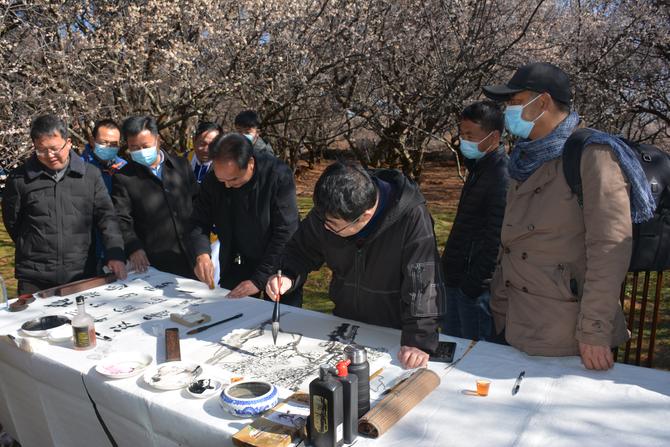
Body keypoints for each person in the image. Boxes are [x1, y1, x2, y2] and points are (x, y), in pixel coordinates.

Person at [482, 62, 655, 370]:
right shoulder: (526, 155)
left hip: (563, 330)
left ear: (543, 102)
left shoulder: (593, 154)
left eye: (516, 102)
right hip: (513, 316)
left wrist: (594, 331)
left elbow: (609, 247)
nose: (508, 111)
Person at [266, 161, 445, 369]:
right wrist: (287, 275)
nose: (326, 227)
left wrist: (418, 340)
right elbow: (301, 249)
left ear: (365, 216)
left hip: (394, 332)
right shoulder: (331, 209)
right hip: (345, 324)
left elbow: (423, 283)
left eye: (334, 225)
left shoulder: (411, 217)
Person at [2, 114, 126, 294]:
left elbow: (107, 218)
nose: (49, 156)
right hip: (34, 275)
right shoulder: (19, 179)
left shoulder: (89, 175)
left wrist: (115, 254)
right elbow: (12, 221)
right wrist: (33, 244)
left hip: (81, 271)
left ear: (68, 143)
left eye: (54, 149)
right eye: (41, 150)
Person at [191, 133, 302, 305]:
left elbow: (286, 232)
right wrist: (201, 254)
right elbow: (199, 220)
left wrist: (259, 280)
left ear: (250, 163)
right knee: (230, 309)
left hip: (278, 262)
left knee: (281, 315)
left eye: (234, 179)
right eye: (222, 180)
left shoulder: (277, 176)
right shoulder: (213, 180)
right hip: (237, 261)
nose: (227, 185)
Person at [441, 101, 509, 341]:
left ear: (494, 137)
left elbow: (497, 238)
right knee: (450, 346)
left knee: (472, 351)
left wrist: (474, 285)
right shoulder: (479, 168)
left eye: (471, 135)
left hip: (474, 288)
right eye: (462, 134)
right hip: (456, 277)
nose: (464, 141)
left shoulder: (501, 175)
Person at [112, 116, 198, 278]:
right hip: (156, 260)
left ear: (158, 140)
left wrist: (202, 245)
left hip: (193, 254)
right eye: (134, 148)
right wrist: (134, 247)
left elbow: (197, 204)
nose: (141, 151)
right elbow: (121, 219)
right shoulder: (124, 177)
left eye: (145, 146)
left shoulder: (181, 166)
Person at [81, 119, 128, 272]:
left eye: (114, 144)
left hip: (119, 245)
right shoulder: (79, 168)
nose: (109, 147)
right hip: (88, 247)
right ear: (92, 141)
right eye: (104, 143)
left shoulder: (123, 167)